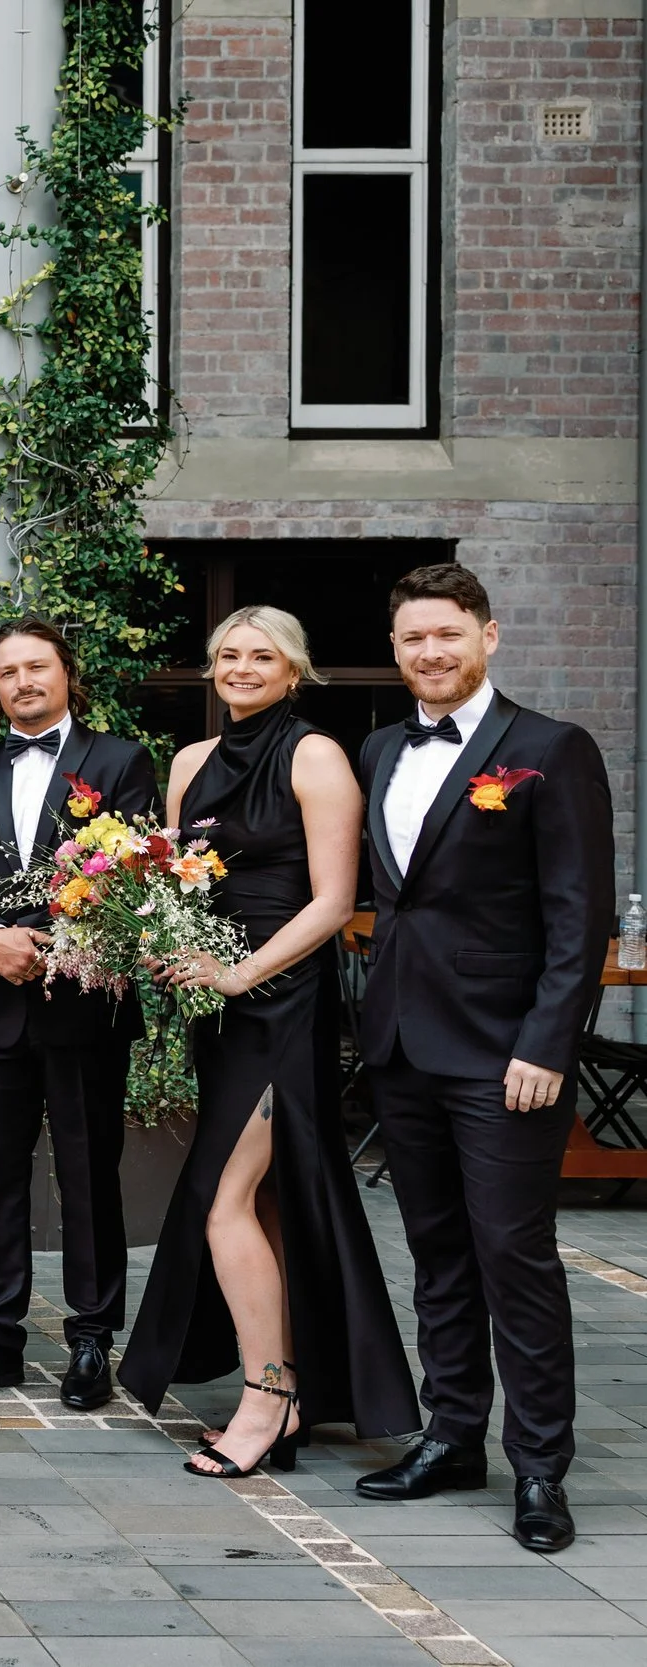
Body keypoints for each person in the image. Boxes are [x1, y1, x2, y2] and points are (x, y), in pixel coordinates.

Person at [346, 564, 612, 1555]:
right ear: (397, 649)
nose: (430, 652)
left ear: (487, 637)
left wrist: (548, 1040)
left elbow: (575, 914)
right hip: (404, 1044)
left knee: (516, 1257)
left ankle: (539, 1466)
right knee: (437, 1256)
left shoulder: (549, 749)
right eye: (413, 637)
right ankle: (451, 1432)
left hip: (507, 1056)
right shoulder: (377, 747)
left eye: (448, 634)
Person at [119, 606, 418, 1475]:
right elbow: (174, 884)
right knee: (271, 1200)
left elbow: (333, 901)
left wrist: (244, 973)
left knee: (222, 1200)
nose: (241, 668)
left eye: (261, 655)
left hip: (281, 1003)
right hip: (216, 1009)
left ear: (295, 669)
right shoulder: (189, 763)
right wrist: (161, 944)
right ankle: (294, 1394)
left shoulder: (316, 754)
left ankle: (269, 1393)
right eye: (226, 656)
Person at [0, 618, 157, 1408]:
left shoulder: (119, 761)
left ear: (66, 673)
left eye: (37, 666)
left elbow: (135, 877)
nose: (23, 681)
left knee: (90, 1173)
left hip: (84, 1004)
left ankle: (92, 1340)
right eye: (8, 672)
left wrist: (56, 948)